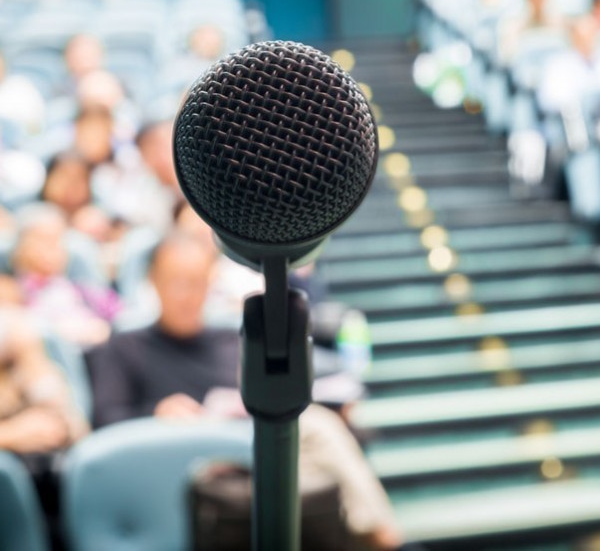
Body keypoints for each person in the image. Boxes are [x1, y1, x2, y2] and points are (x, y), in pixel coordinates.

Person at [89, 233, 406, 550]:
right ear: (153, 281)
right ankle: (382, 537)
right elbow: (106, 416)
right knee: (319, 431)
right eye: (177, 282)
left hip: (254, 448)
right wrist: (157, 413)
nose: (187, 295)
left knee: (319, 432)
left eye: (197, 282)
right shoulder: (124, 348)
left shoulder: (229, 340)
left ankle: (372, 534)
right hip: (185, 466)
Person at [0, 273, 87, 452]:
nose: (7, 316)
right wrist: (9, 434)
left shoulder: (28, 373)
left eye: (15, 305)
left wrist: (32, 357)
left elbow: (79, 434)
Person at [13, 204, 118, 348]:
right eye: (42, 240)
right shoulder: (12, 292)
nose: (52, 249)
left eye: (57, 241)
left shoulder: (82, 289)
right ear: (20, 248)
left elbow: (119, 313)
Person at [536, 15, 600, 120]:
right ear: (573, 38)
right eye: (582, 37)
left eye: (592, 35)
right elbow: (548, 100)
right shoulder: (558, 64)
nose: (588, 41)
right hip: (570, 120)